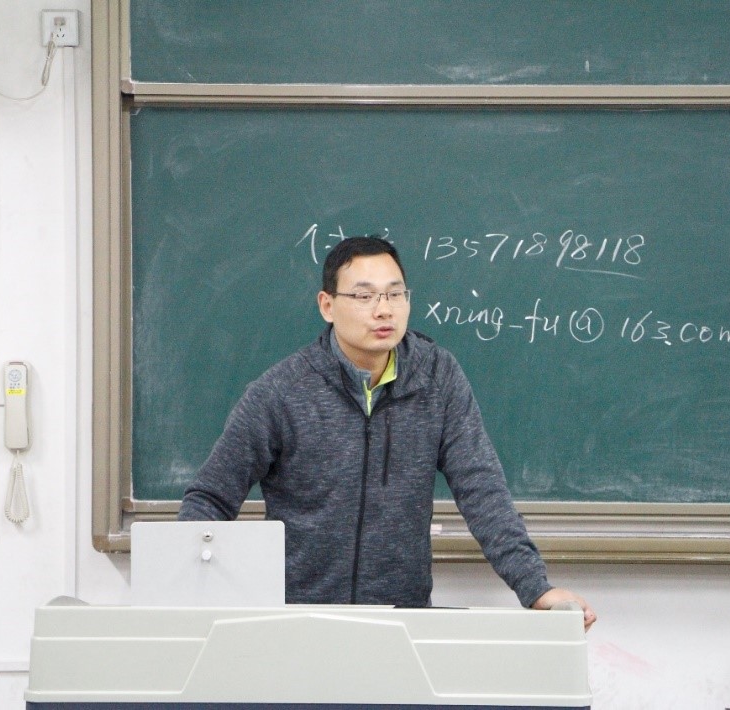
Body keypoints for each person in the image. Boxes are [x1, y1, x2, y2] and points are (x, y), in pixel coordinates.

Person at [179, 236, 596, 628]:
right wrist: (184, 597)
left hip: (402, 621)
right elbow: (210, 498)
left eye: (395, 294)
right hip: (298, 621)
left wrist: (535, 587)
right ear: (327, 305)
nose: (384, 310)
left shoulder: (438, 378)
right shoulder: (281, 391)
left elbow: (482, 490)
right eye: (364, 296)